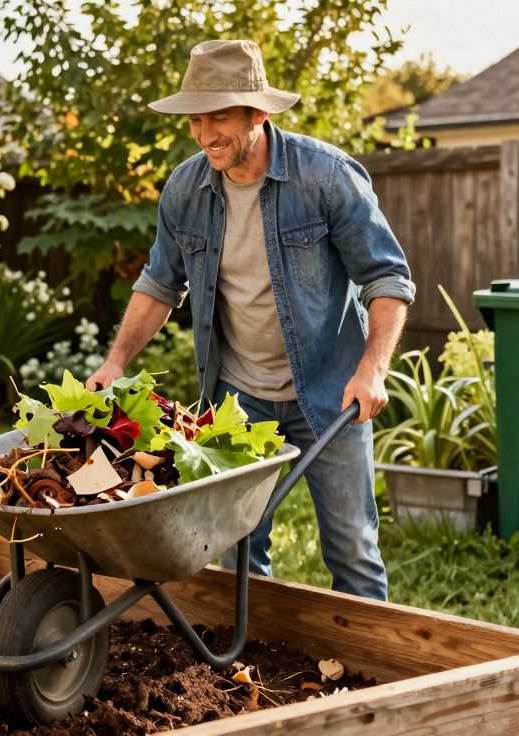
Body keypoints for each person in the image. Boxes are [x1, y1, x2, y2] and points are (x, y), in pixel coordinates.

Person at [85, 40, 415, 601]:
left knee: (352, 550)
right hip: (237, 401)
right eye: (195, 118)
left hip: (331, 396)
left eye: (220, 117)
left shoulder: (327, 178)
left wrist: (373, 370)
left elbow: (388, 279)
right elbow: (160, 286)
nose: (205, 133)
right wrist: (116, 361)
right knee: (237, 549)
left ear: (259, 113)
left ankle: (375, 679)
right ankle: (244, 679)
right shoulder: (186, 189)